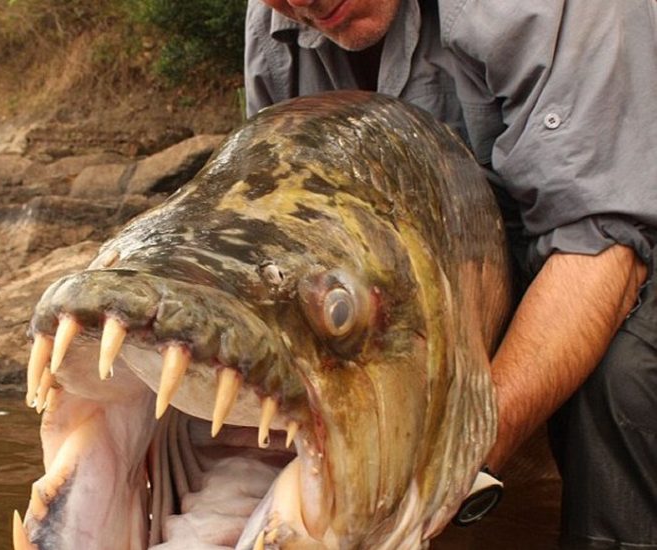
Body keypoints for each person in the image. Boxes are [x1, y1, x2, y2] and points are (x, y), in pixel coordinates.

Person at [244, 0, 657, 547]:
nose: (300, 3)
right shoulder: (273, 25)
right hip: (462, 261)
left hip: (626, 216)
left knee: (622, 379)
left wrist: (449, 457)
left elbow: (601, 244)